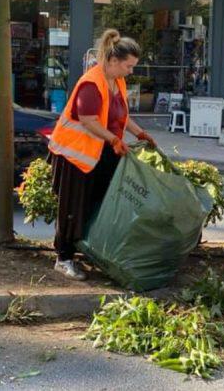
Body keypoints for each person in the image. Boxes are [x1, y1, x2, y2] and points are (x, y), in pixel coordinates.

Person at [47, 29, 157, 280]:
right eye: (128, 66)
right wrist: (113, 139)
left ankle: (84, 249)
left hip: (102, 155)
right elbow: (87, 120)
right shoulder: (91, 83)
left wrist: (140, 133)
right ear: (113, 61)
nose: (131, 71)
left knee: (96, 204)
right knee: (73, 207)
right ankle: (63, 259)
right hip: (76, 157)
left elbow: (121, 116)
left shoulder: (117, 81)